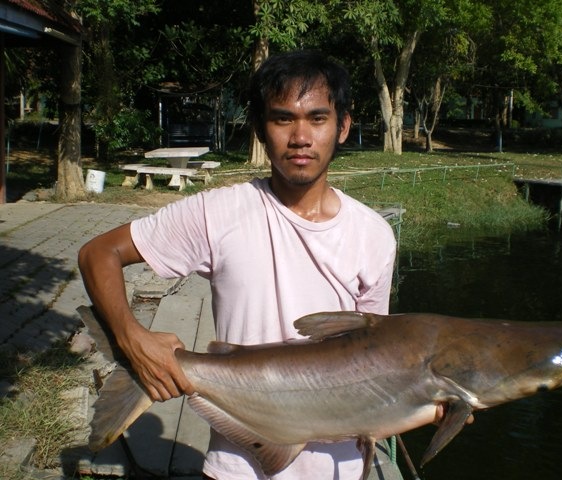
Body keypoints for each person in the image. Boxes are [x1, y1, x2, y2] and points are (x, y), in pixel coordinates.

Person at [78, 50, 399, 479]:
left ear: (343, 127)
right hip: (237, 466)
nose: (300, 136)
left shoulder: (374, 235)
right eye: (283, 119)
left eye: (317, 119)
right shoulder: (218, 213)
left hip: (339, 467)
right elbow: (98, 253)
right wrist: (131, 337)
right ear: (261, 130)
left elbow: (372, 356)